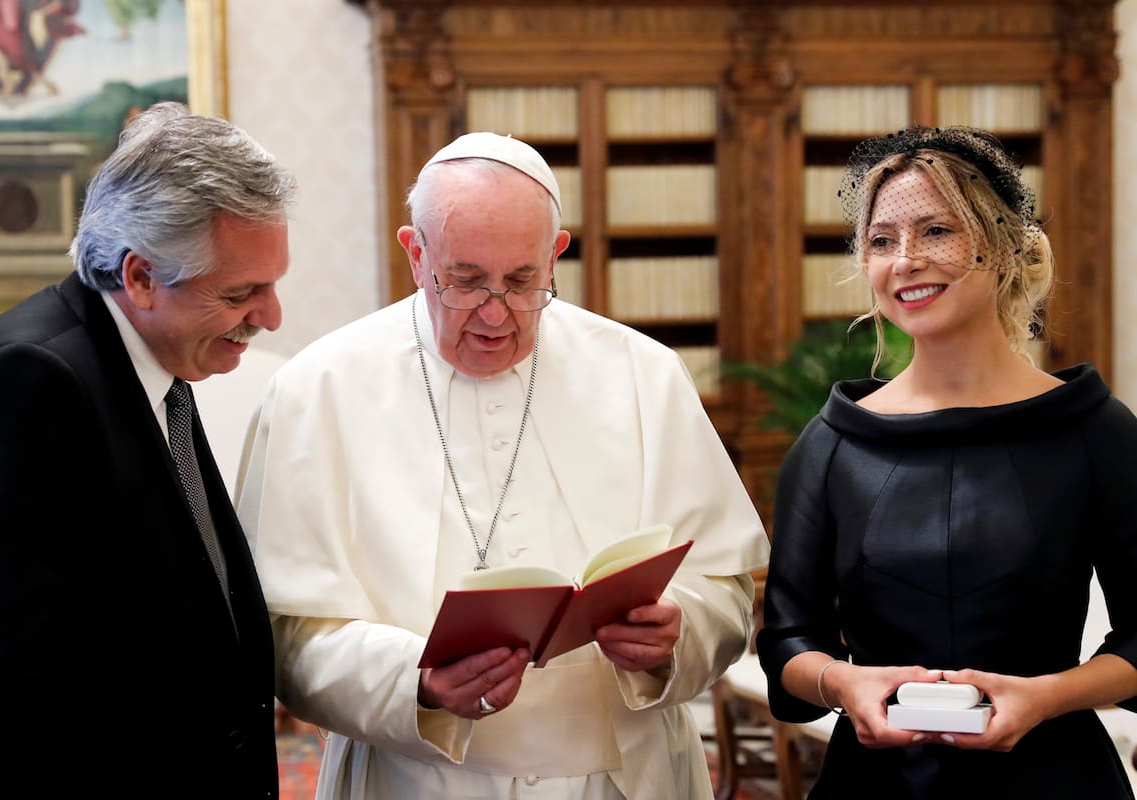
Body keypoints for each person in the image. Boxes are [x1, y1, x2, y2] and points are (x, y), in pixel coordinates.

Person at [235, 131, 769, 799]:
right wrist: (414, 679)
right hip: (414, 780)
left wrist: (676, 633)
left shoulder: (644, 374)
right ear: (415, 254)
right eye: (464, 281)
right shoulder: (318, 388)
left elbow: (723, 588)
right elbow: (284, 634)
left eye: (522, 282)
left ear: (555, 255)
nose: (494, 314)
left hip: (624, 779)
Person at [756, 124, 1137, 798]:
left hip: (1054, 780)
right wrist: (844, 683)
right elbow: (788, 642)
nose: (905, 260)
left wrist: (1047, 695)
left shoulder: (1095, 429)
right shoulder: (831, 443)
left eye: (936, 231)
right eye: (882, 241)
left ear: (1004, 245)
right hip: (875, 785)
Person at [0, 101, 296, 798]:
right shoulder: (25, 381)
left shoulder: (157, 363)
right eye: (241, 293)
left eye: (273, 284)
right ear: (140, 278)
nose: (271, 316)